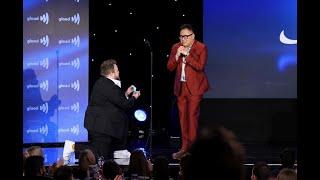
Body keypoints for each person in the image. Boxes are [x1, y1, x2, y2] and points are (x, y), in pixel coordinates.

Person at [167, 24, 210, 159]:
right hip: (181, 87)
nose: (183, 39)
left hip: (195, 87)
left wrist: (187, 55)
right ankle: (184, 148)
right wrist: (177, 56)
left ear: (193, 36)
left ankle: (192, 148)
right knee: (182, 118)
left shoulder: (201, 48)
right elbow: (169, 67)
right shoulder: (176, 47)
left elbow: (200, 66)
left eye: (186, 36)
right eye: (181, 36)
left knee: (191, 117)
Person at [84, 59, 141, 160]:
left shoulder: (104, 83)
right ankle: (73, 149)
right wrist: (134, 97)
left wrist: (126, 94)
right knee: (101, 157)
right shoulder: (108, 85)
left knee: (105, 157)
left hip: (105, 128)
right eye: (117, 70)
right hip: (102, 128)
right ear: (111, 72)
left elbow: (115, 100)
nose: (119, 72)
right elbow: (124, 104)